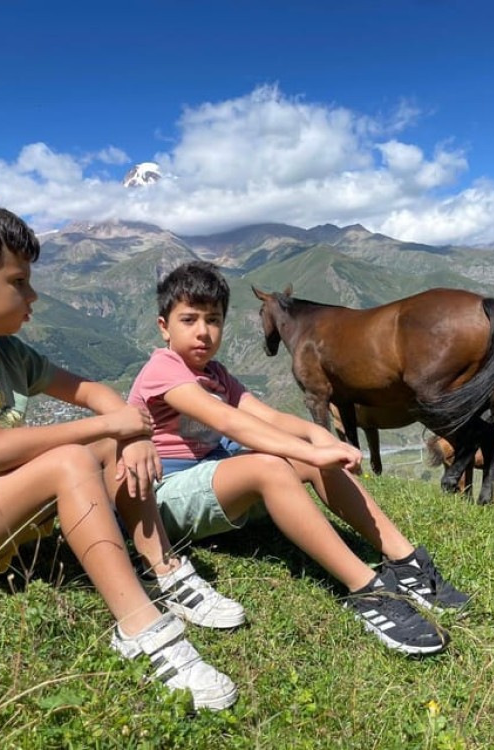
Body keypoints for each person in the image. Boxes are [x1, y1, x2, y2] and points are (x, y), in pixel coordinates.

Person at [0, 199, 240, 711]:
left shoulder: (5, 349)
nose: (33, 295)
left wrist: (131, 433)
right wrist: (112, 424)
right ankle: (140, 626)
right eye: (19, 282)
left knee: (101, 443)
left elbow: (91, 389)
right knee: (73, 458)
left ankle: (161, 568)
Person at [127, 260, 470, 656]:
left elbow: (268, 416)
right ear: (163, 327)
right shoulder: (162, 369)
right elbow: (231, 422)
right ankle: (367, 592)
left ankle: (404, 559)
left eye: (213, 320)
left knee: (307, 457)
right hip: (163, 498)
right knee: (271, 464)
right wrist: (311, 450)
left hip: (211, 478)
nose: (203, 332)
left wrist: (316, 436)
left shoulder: (215, 373)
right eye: (189, 320)